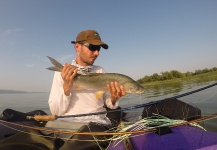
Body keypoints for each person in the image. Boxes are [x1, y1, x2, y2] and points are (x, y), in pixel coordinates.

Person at [48, 29, 126, 125]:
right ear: (77, 47)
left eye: (99, 49)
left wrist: (114, 98)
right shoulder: (62, 73)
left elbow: (109, 102)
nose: (97, 53)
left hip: (99, 122)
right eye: (92, 47)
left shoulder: (100, 70)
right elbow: (55, 112)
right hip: (72, 125)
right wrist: (66, 87)